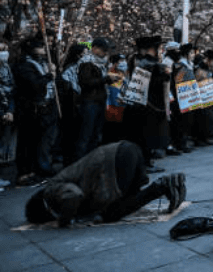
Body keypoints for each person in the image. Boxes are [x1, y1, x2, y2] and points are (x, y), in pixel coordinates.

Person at [24, 141, 186, 226]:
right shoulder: (55, 184)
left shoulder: (50, 191)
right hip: (128, 150)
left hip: (116, 162)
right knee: (128, 201)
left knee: (111, 214)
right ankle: (166, 185)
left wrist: (64, 220)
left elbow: (74, 194)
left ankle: (160, 187)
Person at [123, 36, 171, 172]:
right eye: (158, 48)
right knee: (145, 135)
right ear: (152, 49)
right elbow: (149, 84)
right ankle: (144, 163)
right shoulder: (147, 63)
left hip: (144, 104)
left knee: (145, 135)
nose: (160, 51)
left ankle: (146, 161)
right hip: (147, 105)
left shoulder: (141, 61)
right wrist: (164, 76)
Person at [14, 37, 59, 182]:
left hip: (41, 108)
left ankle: (33, 171)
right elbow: (34, 85)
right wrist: (48, 76)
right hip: (28, 109)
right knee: (26, 142)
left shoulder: (42, 63)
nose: (44, 49)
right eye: (40, 46)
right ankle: (23, 173)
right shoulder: (24, 65)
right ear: (31, 48)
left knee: (35, 141)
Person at [76, 37, 121, 160]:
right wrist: (106, 79)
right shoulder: (86, 63)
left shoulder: (101, 63)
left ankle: (91, 162)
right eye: (103, 50)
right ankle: (80, 164)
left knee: (95, 135)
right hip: (90, 102)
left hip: (99, 101)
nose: (106, 53)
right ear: (95, 49)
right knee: (86, 135)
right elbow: (86, 83)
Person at [0, 42, 16, 188]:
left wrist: (9, 111)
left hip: (5, 110)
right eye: (1, 50)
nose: (4, 53)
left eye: (6, 49)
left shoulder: (6, 68)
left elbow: (11, 90)